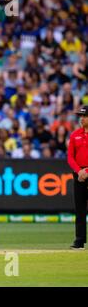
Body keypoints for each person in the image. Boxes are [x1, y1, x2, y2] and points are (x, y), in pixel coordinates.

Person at [67, 105, 88, 249]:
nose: (81, 119)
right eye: (80, 116)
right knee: (80, 209)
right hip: (79, 175)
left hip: (85, 172)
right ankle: (79, 240)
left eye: (84, 116)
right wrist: (79, 171)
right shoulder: (75, 135)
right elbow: (70, 157)